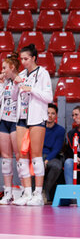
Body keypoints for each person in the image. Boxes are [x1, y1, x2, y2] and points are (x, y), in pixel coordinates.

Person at [11, 44, 53, 206]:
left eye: (26, 59)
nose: (23, 62)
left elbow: (48, 97)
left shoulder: (43, 74)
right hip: (21, 117)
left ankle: (37, 193)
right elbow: (15, 97)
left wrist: (31, 89)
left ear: (34, 58)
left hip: (36, 118)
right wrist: (16, 84)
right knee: (22, 156)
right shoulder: (21, 74)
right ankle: (26, 192)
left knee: (36, 155)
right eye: (21, 59)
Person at [0, 53, 21, 205]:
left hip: (16, 120)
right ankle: (7, 192)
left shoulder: (20, 79)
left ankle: (23, 191)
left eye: (4, 68)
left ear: (12, 67)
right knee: (6, 157)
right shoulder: (4, 82)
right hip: (4, 121)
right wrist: (1, 84)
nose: (2, 70)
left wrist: (16, 83)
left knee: (19, 155)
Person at [43, 103, 65, 202]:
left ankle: (46, 191)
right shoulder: (39, 128)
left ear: (56, 115)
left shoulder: (60, 130)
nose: (50, 116)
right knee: (33, 165)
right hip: (38, 155)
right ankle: (34, 191)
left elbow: (56, 148)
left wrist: (47, 160)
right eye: (48, 113)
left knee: (56, 166)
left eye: (53, 113)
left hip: (52, 156)